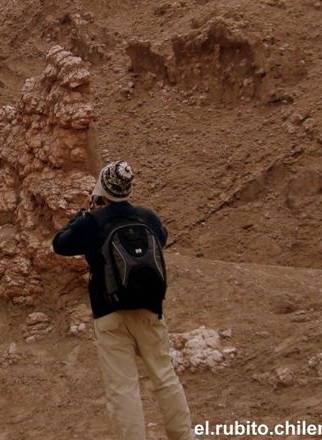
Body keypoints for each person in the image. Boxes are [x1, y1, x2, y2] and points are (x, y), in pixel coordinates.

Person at [52, 160, 195, 440]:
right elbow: (161, 240)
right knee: (164, 375)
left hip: (109, 312)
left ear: (102, 189)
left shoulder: (92, 222)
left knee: (123, 386)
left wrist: (84, 213)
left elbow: (60, 244)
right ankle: (184, 435)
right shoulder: (147, 217)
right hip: (149, 307)